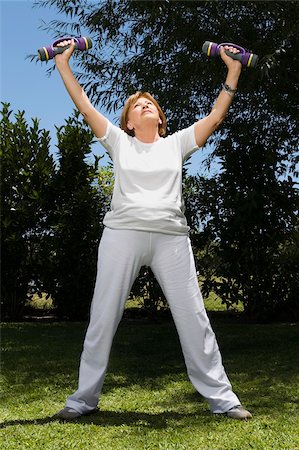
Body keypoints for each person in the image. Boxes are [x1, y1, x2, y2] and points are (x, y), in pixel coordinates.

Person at [53, 39, 252, 421]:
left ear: (160, 118)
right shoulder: (118, 141)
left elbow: (215, 116)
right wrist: (63, 64)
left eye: (149, 105)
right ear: (128, 121)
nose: (143, 107)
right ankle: (82, 401)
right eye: (136, 106)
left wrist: (233, 70)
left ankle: (223, 400)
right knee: (102, 317)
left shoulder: (177, 143)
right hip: (122, 235)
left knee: (194, 318)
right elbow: (83, 103)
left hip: (170, 238)